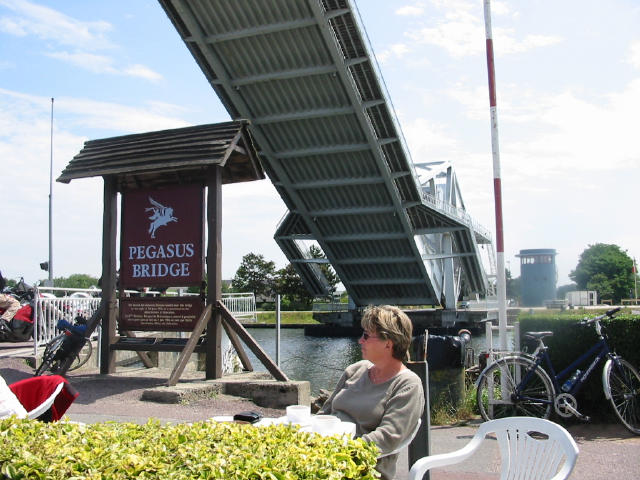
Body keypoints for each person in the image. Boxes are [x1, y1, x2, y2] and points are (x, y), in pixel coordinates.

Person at [319, 305, 425, 480]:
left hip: (361, 469)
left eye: (366, 336)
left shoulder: (407, 385)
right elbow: (325, 412)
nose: (360, 340)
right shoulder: (355, 370)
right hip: (324, 455)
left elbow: (388, 437)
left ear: (388, 343)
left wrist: (340, 450)